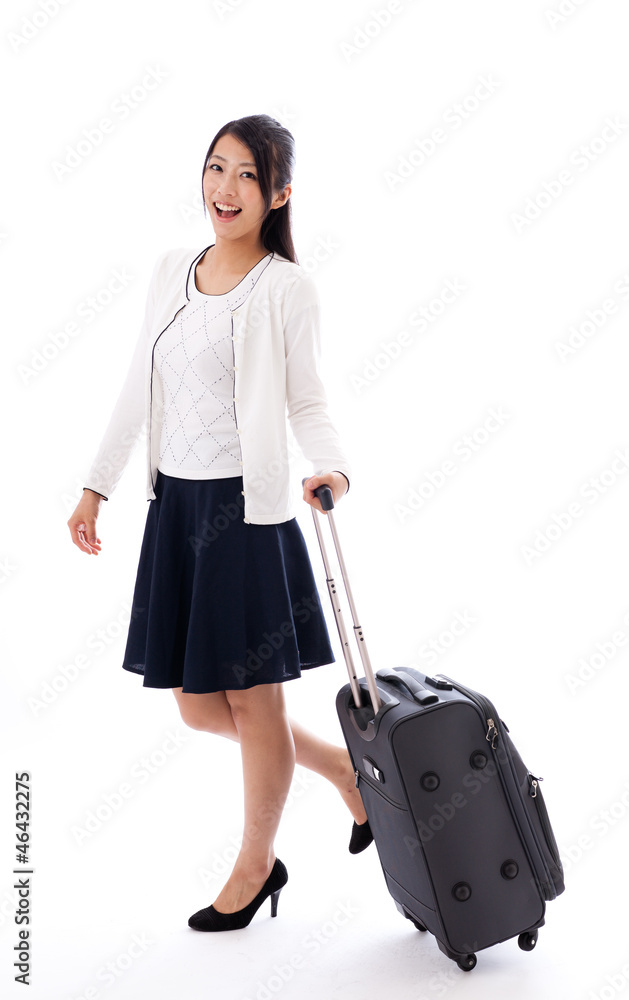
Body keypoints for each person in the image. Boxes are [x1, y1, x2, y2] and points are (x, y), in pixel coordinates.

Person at [66, 114, 373, 933]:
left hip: (249, 511)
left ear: (279, 194)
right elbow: (139, 380)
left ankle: (256, 865)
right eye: (214, 169)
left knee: (254, 701)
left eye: (245, 175)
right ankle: (346, 772)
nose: (223, 189)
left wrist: (334, 466)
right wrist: (96, 485)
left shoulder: (286, 287)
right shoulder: (173, 268)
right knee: (200, 706)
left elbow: (307, 397)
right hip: (179, 509)